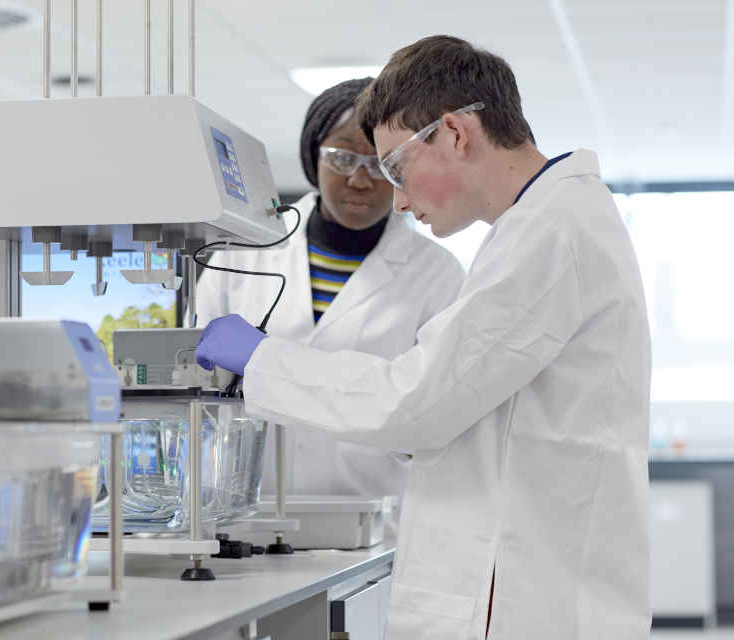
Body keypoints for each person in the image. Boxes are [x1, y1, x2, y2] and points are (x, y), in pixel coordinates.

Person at [196, 35, 651, 639]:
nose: (399, 199)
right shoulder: (541, 225)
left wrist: (263, 362)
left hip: (528, 596)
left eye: (395, 169)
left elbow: (414, 402)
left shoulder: (550, 233)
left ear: (455, 134)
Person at [195, 78, 464, 534]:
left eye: (380, 163)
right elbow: (197, 395)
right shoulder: (239, 255)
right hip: (244, 522)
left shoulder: (438, 274)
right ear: (312, 155)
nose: (360, 179)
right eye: (342, 157)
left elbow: (433, 413)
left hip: (374, 527)